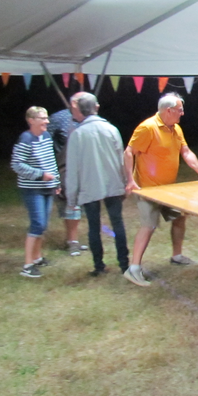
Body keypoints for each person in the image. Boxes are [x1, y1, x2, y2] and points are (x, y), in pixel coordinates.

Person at [123, 92, 198, 287]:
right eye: (180, 110)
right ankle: (133, 268)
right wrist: (130, 180)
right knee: (149, 226)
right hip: (148, 190)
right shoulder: (148, 128)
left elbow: (185, 152)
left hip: (168, 189)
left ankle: (177, 256)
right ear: (169, 110)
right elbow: (129, 152)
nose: (183, 113)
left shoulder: (176, 129)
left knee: (179, 217)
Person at [65, 92, 131, 277]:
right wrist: (125, 182)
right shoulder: (111, 129)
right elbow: (121, 159)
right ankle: (124, 264)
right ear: (96, 108)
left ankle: (99, 266)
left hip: (90, 186)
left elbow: (72, 169)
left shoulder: (77, 135)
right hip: (112, 183)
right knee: (118, 223)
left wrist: (72, 197)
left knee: (93, 227)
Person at [10, 106, 60, 278]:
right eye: (42, 118)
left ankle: (37, 258)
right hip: (32, 188)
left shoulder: (46, 137)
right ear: (31, 120)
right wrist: (40, 175)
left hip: (47, 187)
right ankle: (27, 265)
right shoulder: (25, 139)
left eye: (46, 118)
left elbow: (51, 161)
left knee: (43, 224)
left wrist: (56, 182)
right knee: (37, 224)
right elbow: (17, 165)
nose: (46, 121)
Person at [47, 105, 86, 256]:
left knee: (79, 206)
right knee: (71, 204)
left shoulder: (87, 119)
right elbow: (46, 142)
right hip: (65, 167)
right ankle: (72, 242)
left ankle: (73, 239)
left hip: (83, 167)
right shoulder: (58, 118)